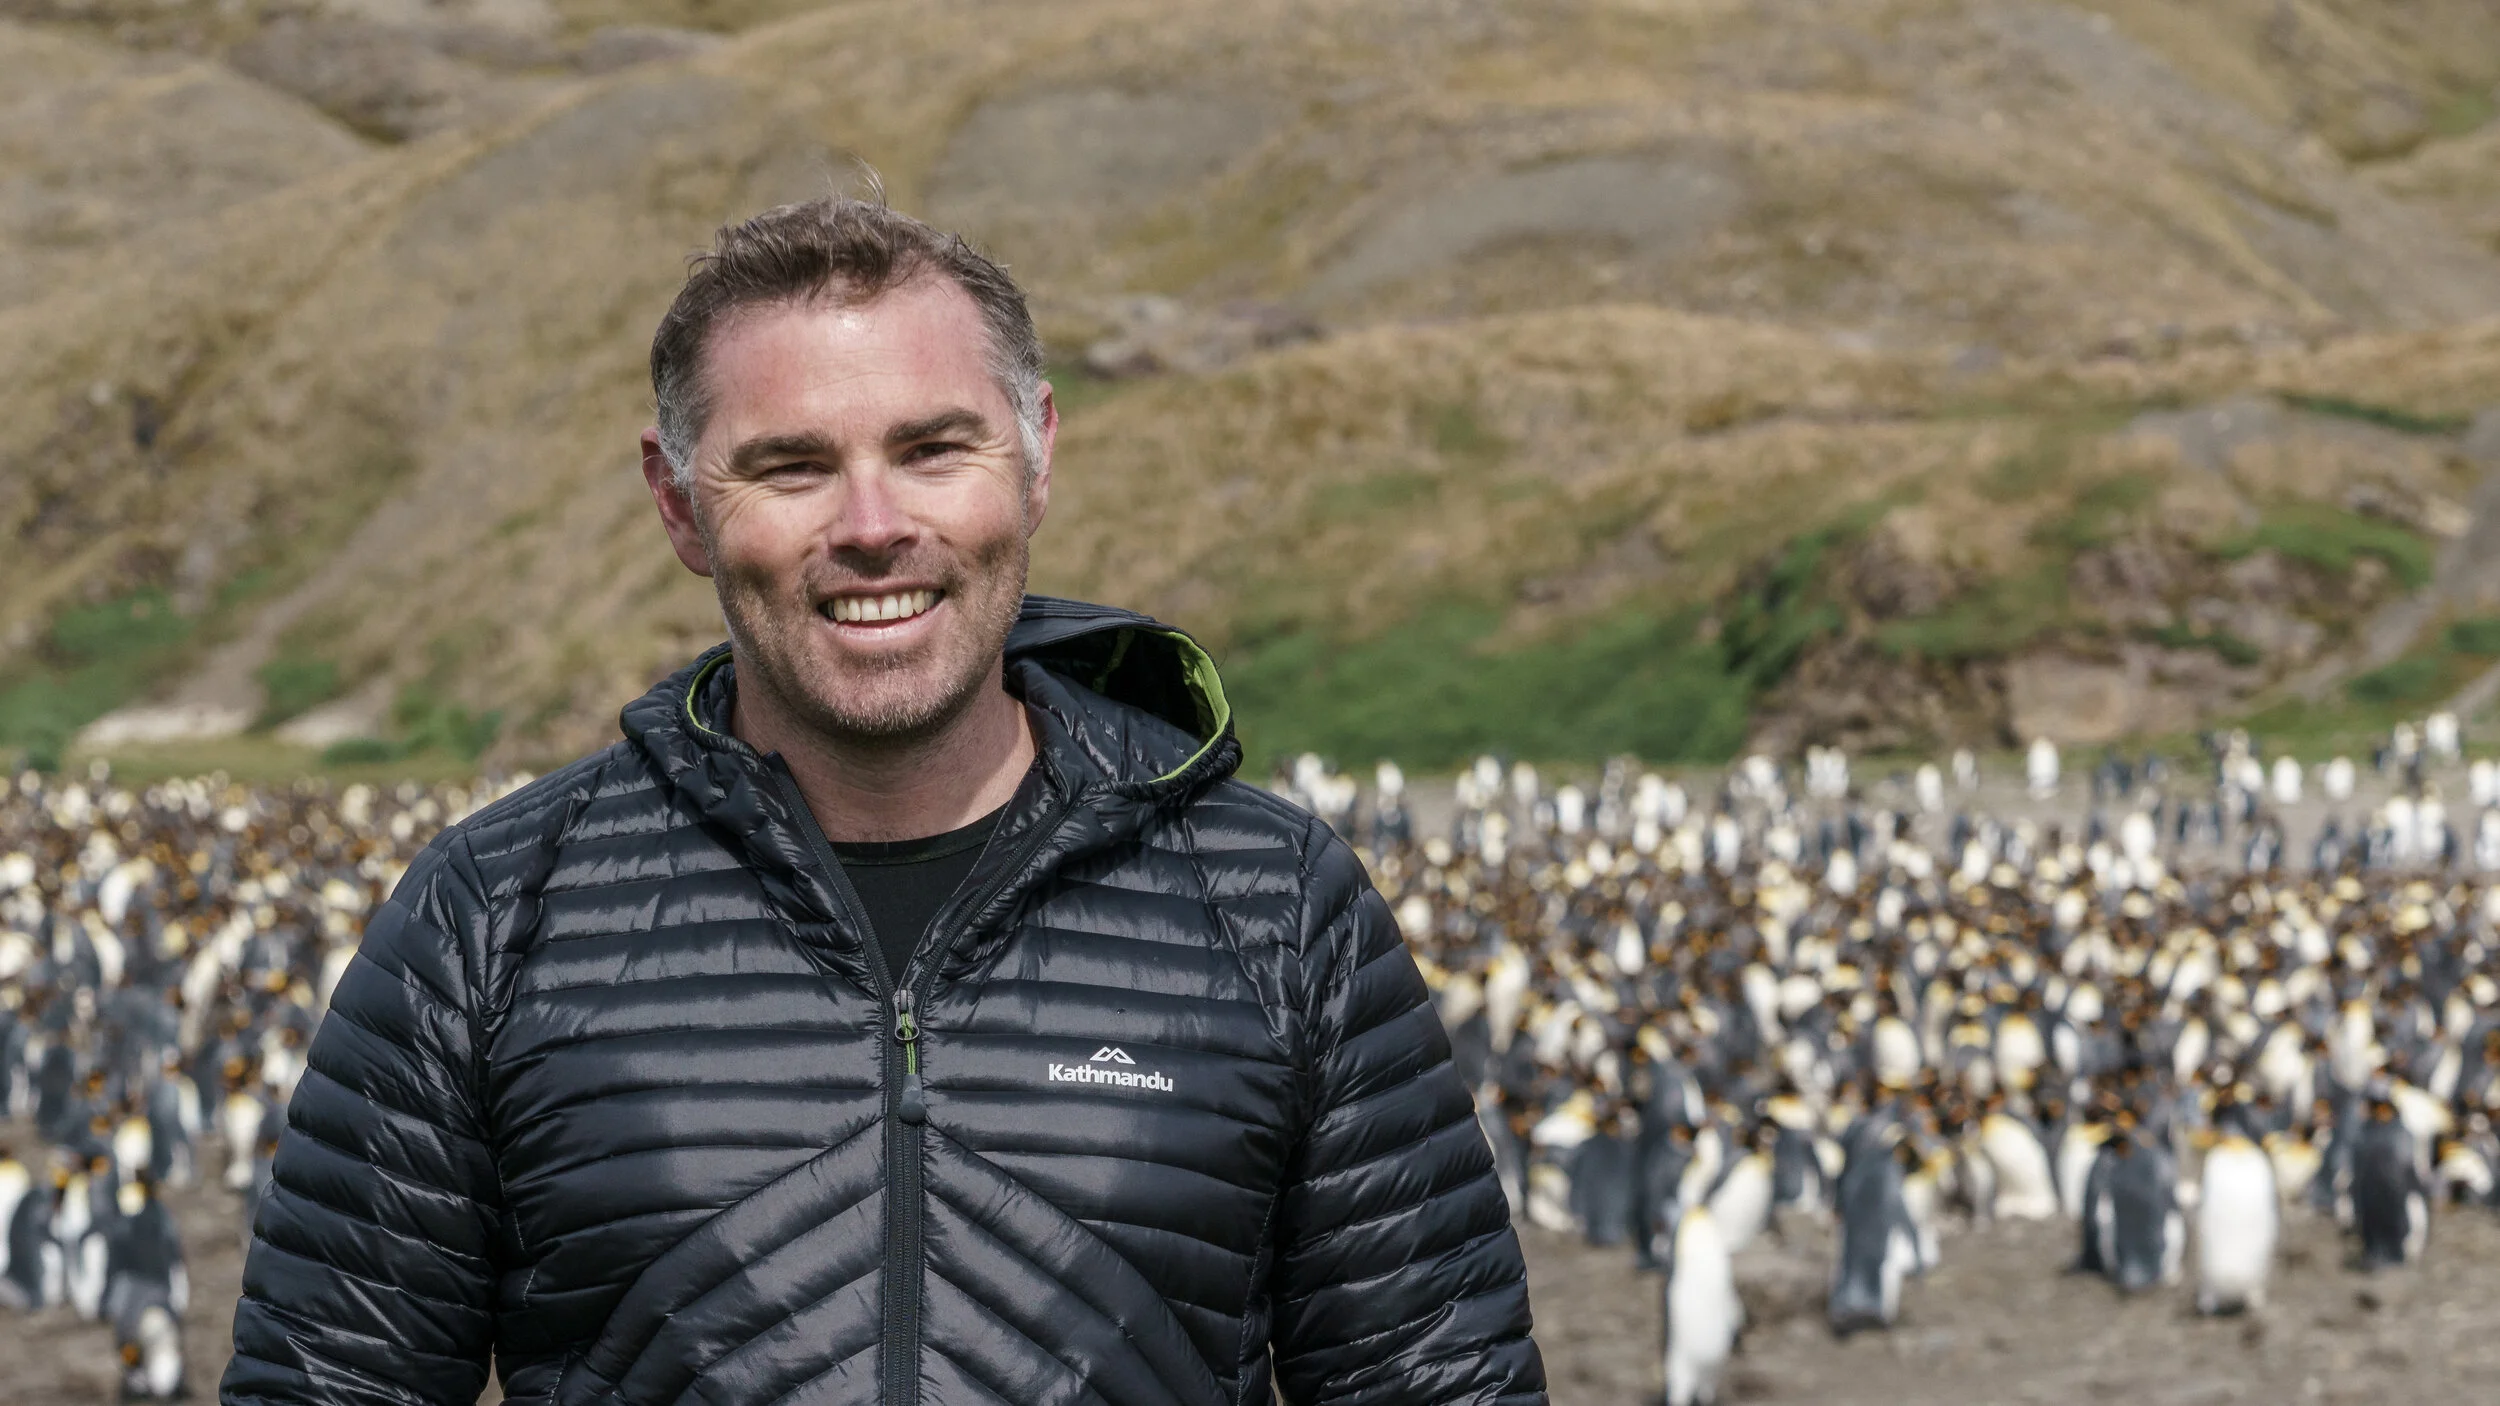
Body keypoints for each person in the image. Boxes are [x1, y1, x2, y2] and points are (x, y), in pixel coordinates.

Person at [221, 190, 1546, 1406]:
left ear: (1034, 461)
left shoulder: (1270, 904)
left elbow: (1442, 1382)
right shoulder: (495, 914)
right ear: (680, 503)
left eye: (931, 448)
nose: (871, 523)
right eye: (791, 465)